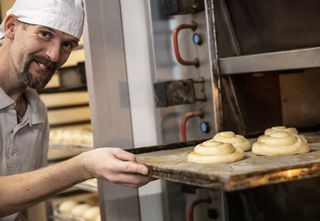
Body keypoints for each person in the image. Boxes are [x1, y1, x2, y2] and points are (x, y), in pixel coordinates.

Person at [0, 0, 151, 220]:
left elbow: (20, 201)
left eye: (68, 44)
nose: (54, 55)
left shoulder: (36, 113)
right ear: (11, 26)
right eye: (45, 34)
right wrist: (84, 166)